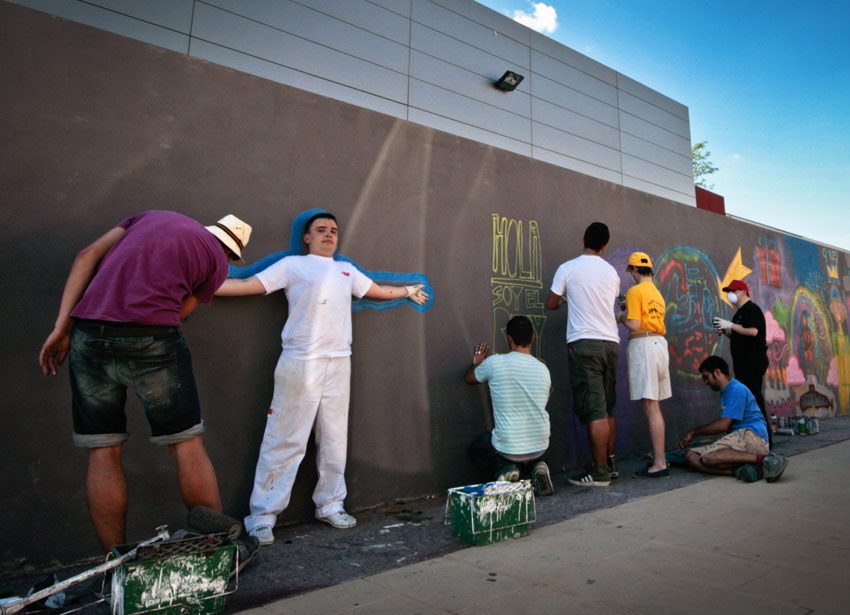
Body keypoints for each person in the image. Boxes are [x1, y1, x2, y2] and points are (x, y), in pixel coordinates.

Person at [38, 210, 252, 551]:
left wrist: (62, 328)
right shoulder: (217, 263)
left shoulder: (149, 217)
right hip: (153, 339)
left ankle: (115, 564)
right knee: (186, 444)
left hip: (89, 333)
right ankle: (217, 551)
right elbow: (179, 313)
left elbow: (86, 256)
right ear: (231, 250)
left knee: (103, 451)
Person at [216, 212, 428, 545]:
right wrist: (202, 284)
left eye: (333, 231)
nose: (329, 235)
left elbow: (377, 291)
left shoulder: (346, 271)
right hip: (300, 363)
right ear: (307, 237)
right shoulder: (292, 266)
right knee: (285, 439)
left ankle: (330, 504)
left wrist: (407, 290)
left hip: (339, 364)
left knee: (333, 439)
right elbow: (247, 285)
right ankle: (262, 515)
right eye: (321, 231)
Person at [546, 222, 620, 487]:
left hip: (584, 343)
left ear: (584, 240)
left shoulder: (568, 268)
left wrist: (567, 299)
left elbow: (551, 302)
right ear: (604, 246)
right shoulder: (612, 273)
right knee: (608, 408)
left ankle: (599, 472)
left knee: (595, 411)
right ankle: (609, 464)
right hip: (611, 342)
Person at [465, 316, 554, 495]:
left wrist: (477, 362)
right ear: (532, 338)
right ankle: (538, 468)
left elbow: (469, 378)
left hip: (507, 447)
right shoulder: (543, 369)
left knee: (476, 448)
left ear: (509, 339)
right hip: (540, 445)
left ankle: (503, 470)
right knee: (527, 452)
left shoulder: (494, 363)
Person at [679, 356, 787, 482]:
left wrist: (693, 432)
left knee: (708, 458)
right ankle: (741, 471)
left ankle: (767, 460)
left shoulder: (736, 389)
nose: (705, 382)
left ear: (717, 372)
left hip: (753, 436)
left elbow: (723, 425)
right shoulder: (726, 391)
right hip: (739, 439)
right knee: (690, 456)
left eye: (706, 377)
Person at [617, 252, 671, 478]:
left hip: (644, 344)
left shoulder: (634, 291)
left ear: (635, 270)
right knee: (655, 406)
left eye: (631, 271)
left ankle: (659, 463)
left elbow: (634, 323)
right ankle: (661, 459)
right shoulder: (657, 293)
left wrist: (620, 316)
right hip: (660, 344)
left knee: (650, 407)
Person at [713, 279, 771, 448]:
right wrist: (726, 331)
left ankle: (765, 441)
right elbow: (740, 336)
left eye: (732, 291)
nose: (729, 294)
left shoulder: (751, 309)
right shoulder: (738, 313)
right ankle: (748, 437)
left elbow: (753, 331)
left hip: (752, 361)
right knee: (748, 399)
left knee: (755, 398)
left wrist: (731, 325)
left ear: (743, 292)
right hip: (742, 362)